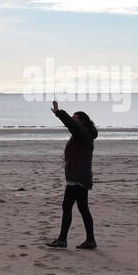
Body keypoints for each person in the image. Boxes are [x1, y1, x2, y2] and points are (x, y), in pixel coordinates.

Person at [47, 99, 97, 249]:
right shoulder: (84, 134)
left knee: (68, 206)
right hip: (79, 175)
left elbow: (71, 124)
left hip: (77, 177)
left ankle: (63, 240)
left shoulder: (82, 133)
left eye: (76, 119)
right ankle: (90, 240)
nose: (74, 121)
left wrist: (58, 113)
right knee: (82, 208)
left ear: (82, 122)